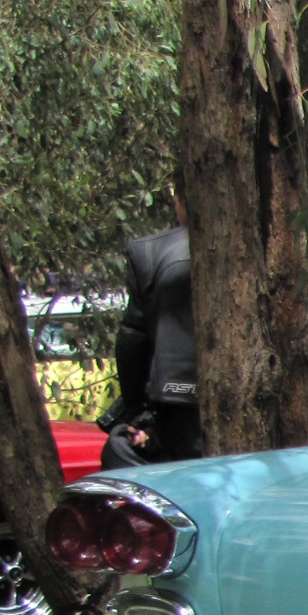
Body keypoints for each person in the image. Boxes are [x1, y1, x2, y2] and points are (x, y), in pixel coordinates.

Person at [102, 193, 201, 468]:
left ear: (180, 199)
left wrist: (135, 408)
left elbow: (132, 339)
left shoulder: (150, 252)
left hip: (176, 405)